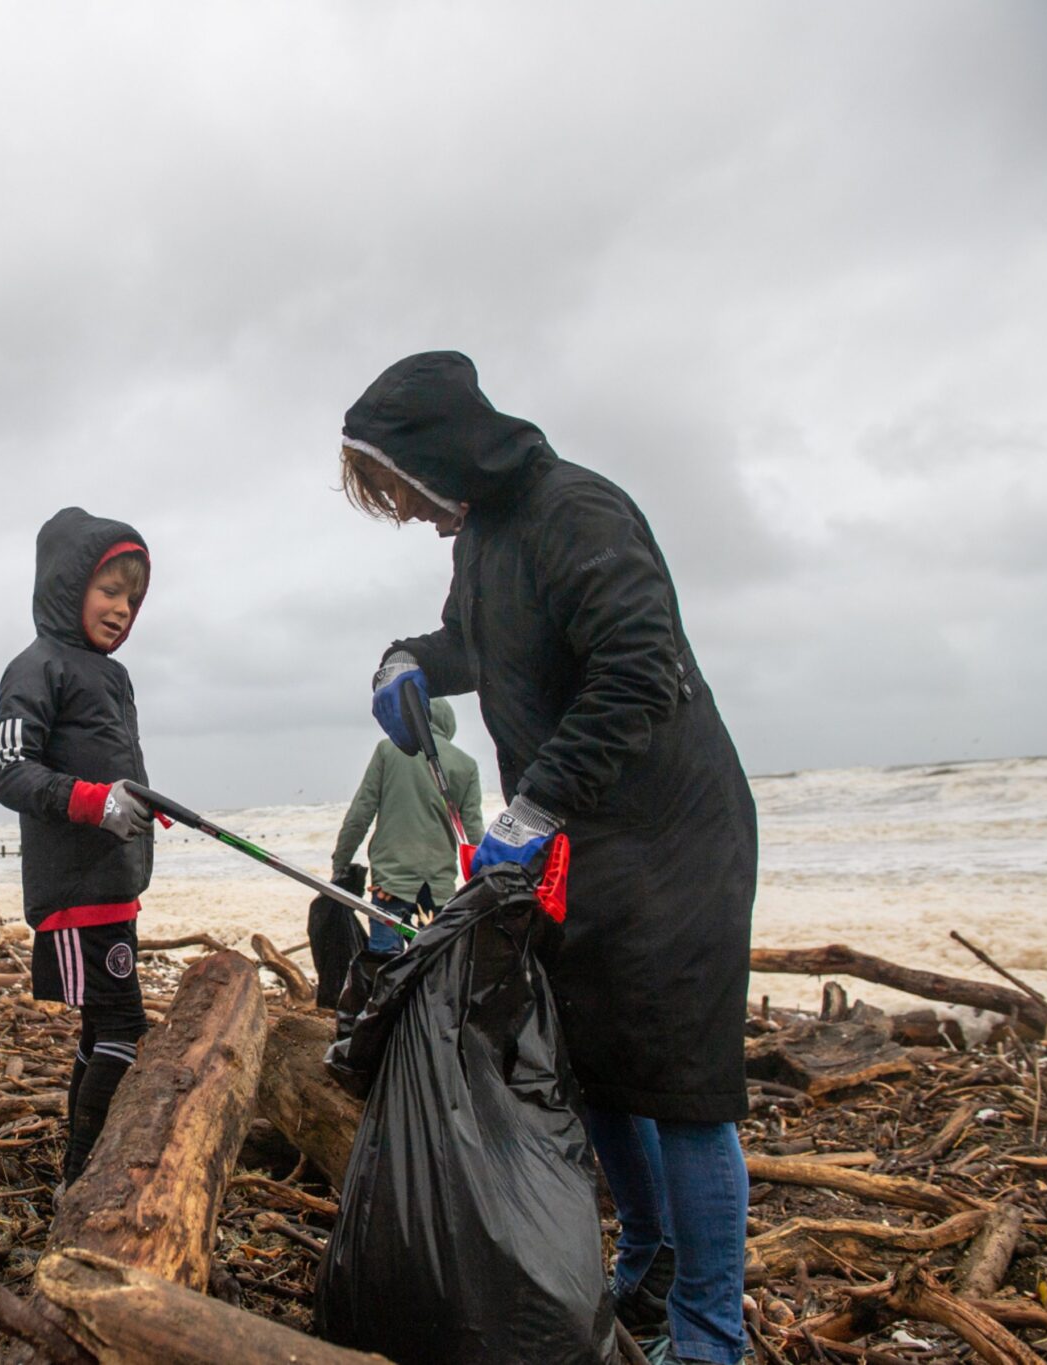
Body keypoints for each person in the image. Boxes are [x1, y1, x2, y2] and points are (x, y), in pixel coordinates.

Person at [342, 352, 757, 1365]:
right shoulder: (483, 538)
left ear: (438, 454)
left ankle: (708, 1333)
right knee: (601, 1067)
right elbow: (470, 642)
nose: (408, 515)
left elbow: (639, 668)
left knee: (685, 1085)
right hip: (581, 843)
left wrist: (533, 803)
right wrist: (404, 661)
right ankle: (648, 1267)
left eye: (401, 491)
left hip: (673, 835)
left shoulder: (577, 512)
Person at [0, 508, 155, 1188]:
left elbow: (111, 763)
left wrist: (141, 803)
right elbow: (8, 770)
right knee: (124, 1024)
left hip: (115, 882)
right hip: (74, 888)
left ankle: (76, 1172)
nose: (122, 608)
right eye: (109, 590)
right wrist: (94, 801)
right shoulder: (36, 666)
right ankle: (82, 1175)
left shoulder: (110, 675)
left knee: (100, 1029)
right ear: (67, 585)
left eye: (134, 598)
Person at [330, 696, 486, 954]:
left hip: (390, 884)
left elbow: (360, 814)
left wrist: (340, 864)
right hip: (438, 888)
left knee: (386, 967)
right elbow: (474, 834)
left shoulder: (388, 750)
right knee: (434, 967)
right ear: (449, 724)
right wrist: (485, 881)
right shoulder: (466, 766)